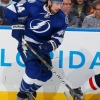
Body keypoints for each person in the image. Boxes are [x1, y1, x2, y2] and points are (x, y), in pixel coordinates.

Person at [5, 0, 67, 100]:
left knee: (46, 75)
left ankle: (29, 92)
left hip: (41, 47)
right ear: (50, 2)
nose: (59, 7)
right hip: (27, 42)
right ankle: (21, 95)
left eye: (61, 4)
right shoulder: (33, 5)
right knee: (33, 69)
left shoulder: (62, 18)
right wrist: (16, 25)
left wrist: (50, 45)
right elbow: (11, 9)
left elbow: (58, 38)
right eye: (57, 4)